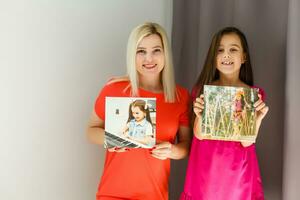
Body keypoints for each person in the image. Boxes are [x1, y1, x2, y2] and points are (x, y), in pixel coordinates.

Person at [86, 22, 191, 200]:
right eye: (141, 51)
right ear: (132, 55)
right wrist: (112, 139)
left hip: (155, 195)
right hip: (112, 194)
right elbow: (90, 131)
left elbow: (186, 145)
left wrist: (172, 151)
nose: (148, 59)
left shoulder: (179, 96)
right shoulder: (115, 89)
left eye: (156, 50)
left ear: (165, 53)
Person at [180, 27, 269, 200]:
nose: (226, 55)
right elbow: (199, 134)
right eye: (220, 50)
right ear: (214, 58)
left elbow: (246, 141)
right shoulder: (202, 91)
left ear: (243, 57)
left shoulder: (253, 94)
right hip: (206, 172)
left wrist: (258, 118)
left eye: (233, 49)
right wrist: (199, 115)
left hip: (239, 174)